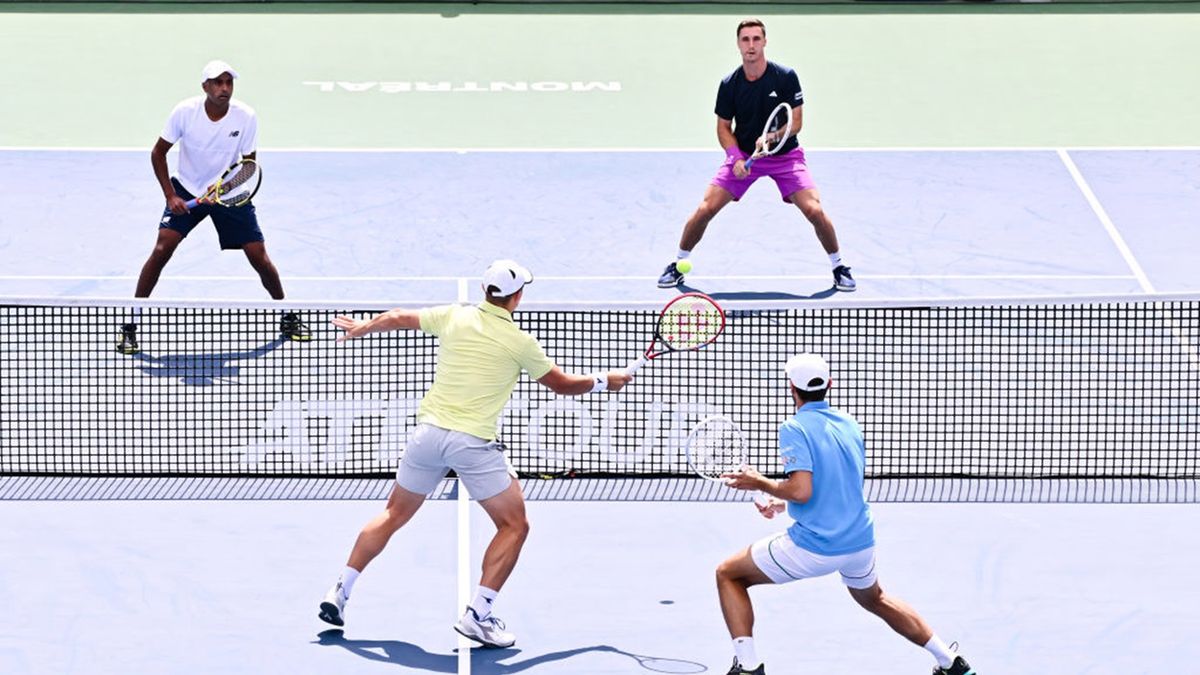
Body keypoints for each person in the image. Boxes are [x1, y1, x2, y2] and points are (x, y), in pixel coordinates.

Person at [318, 259, 633, 649]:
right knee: (514, 525)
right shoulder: (520, 342)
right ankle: (478, 615)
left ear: (486, 291)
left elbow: (398, 316)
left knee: (392, 514)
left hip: (427, 436)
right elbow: (563, 385)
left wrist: (361, 327)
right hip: (473, 444)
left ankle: (340, 591)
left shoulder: (454, 316)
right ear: (516, 296)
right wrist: (606, 380)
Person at [716, 353, 975, 675]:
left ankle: (748, 666)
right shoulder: (848, 421)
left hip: (816, 547)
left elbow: (801, 490)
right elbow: (837, 483)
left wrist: (761, 484)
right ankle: (951, 663)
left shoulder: (793, 427)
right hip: (859, 542)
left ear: (790, 388)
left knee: (729, 574)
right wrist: (784, 504)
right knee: (875, 598)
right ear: (830, 385)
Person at [116, 59, 309, 355]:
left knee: (258, 255)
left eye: (229, 82)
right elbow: (158, 154)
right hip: (186, 187)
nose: (224, 88)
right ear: (205, 86)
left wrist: (223, 189)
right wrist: (171, 196)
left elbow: (248, 167)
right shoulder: (185, 112)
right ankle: (130, 325)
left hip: (226, 190)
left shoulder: (246, 116)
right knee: (161, 249)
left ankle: (287, 316)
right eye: (218, 83)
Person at [657, 19, 855, 294]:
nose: (751, 45)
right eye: (745, 39)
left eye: (756, 39)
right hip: (746, 155)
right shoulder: (729, 84)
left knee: (814, 210)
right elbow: (723, 128)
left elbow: (796, 122)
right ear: (738, 44)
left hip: (785, 156)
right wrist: (736, 157)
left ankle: (839, 267)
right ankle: (678, 264)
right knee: (705, 209)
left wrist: (772, 138)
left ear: (764, 42)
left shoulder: (785, 76)